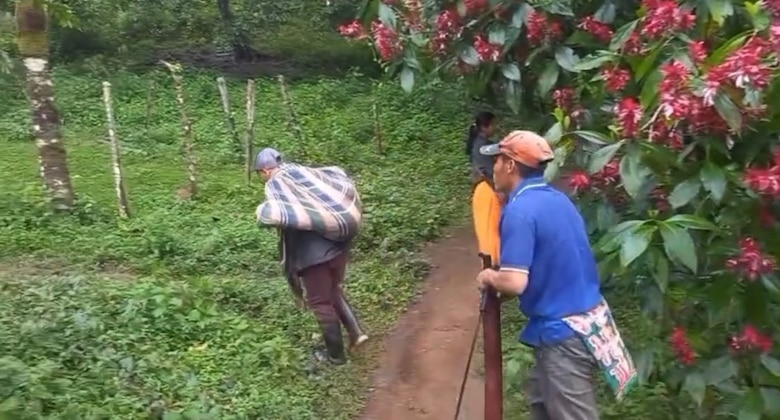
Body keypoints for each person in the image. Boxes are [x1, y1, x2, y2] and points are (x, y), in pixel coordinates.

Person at [475, 131, 636, 419]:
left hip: (564, 335)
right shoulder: (559, 200)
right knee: (542, 405)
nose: (493, 167)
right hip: (587, 321)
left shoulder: (520, 211)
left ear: (510, 165)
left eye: (498, 160)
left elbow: (514, 281)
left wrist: (488, 277)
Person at [254, 148, 369, 365]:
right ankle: (357, 333)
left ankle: (335, 356)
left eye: (260, 173)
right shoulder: (300, 174)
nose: (262, 178)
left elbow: (277, 215)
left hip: (314, 259)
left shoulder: (277, 185)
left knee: (320, 302)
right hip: (336, 248)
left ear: (266, 170)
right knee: (333, 290)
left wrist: (267, 212)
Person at [467, 112, 502, 262]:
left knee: (485, 230)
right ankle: (493, 266)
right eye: (493, 124)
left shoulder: (480, 144)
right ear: (484, 127)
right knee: (492, 229)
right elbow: (489, 171)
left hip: (482, 190)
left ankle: (488, 265)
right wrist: (499, 190)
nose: (496, 127)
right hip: (488, 189)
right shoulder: (483, 147)